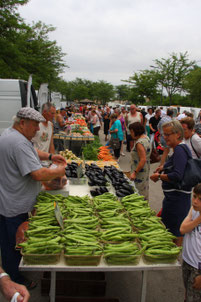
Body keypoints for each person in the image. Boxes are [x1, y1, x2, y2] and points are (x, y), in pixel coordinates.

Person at [0, 107, 66, 287]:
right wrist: (59, 171)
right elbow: (37, 174)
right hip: (15, 204)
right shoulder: (19, 143)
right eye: (35, 125)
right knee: (13, 244)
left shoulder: (11, 134)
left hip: (8, 198)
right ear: (23, 123)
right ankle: (15, 280)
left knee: (8, 240)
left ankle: (12, 273)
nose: (38, 129)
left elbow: (32, 152)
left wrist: (51, 155)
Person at [150, 120, 192, 246]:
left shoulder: (179, 149)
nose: (164, 137)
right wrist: (163, 167)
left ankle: (175, 259)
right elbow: (177, 167)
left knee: (175, 232)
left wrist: (160, 176)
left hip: (177, 201)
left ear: (178, 134)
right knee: (174, 230)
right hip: (176, 199)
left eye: (168, 135)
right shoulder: (179, 149)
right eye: (164, 134)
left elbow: (177, 175)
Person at [180, 183, 201, 302]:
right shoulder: (194, 210)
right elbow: (183, 229)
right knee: (188, 294)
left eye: (200, 199)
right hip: (187, 261)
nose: (195, 201)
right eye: (194, 196)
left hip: (198, 268)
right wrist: (198, 219)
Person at [129, 122, 151, 200]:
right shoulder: (146, 138)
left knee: (138, 191)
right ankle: (145, 204)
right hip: (145, 169)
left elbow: (143, 159)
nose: (130, 133)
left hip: (139, 171)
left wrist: (135, 173)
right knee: (144, 188)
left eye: (131, 131)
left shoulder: (139, 143)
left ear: (136, 131)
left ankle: (142, 206)